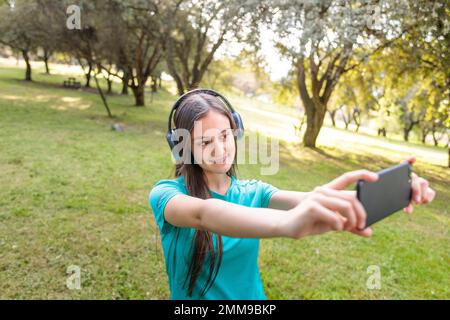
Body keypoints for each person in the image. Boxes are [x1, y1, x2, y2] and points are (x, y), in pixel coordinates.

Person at [149, 89, 436, 300]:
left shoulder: (255, 192)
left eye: (225, 136)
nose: (221, 149)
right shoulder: (166, 196)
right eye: (205, 141)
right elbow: (203, 214)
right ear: (182, 148)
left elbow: (321, 201)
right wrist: (287, 224)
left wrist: (400, 189)